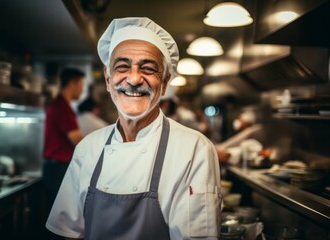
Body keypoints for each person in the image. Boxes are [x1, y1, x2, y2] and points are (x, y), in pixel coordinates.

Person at [46, 17, 222, 240]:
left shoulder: (195, 150)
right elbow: (68, 233)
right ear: (109, 80)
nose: (135, 78)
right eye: (122, 67)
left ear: (165, 83)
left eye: (148, 69)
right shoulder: (87, 148)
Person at [42, 67, 85, 213]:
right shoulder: (61, 107)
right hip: (58, 169)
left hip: (56, 167)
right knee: (62, 215)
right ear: (72, 84)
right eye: (81, 85)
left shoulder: (61, 105)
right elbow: (77, 140)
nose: (82, 90)